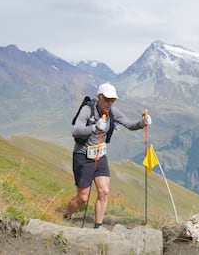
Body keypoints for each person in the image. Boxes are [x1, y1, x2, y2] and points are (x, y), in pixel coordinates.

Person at [63, 82, 151, 229]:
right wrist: (94, 128)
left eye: (113, 100)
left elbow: (129, 125)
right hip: (83, 156)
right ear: (99, 97)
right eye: (107, 99)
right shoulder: (87, 110)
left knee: (104, 191)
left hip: (100, 155)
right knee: (82, 198)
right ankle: (66, 215)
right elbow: (76, 131)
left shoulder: (112, 112)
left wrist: (142, 123)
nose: (110, 103)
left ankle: (98, 227)